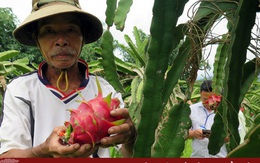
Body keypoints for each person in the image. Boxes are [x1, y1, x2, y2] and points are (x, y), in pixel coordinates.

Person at [0, 0, 136, 158]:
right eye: (49, 30)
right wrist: (42, 151)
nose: (61, 40)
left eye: (71, 29)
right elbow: (7, 158)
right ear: (36, 39)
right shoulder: (21, 90)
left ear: (83, 37)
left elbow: (128, 155)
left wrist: (130, 138)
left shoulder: (107, 93)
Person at [188, 80, 227, 158]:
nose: (208, 103)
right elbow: (183, 133)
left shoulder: (228, 113)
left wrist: (208, 134)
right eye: (205, 99)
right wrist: (193, 133)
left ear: (220, 96)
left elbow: (230, 137)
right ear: (200, 93)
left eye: (212, 100)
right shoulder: (191, 110)